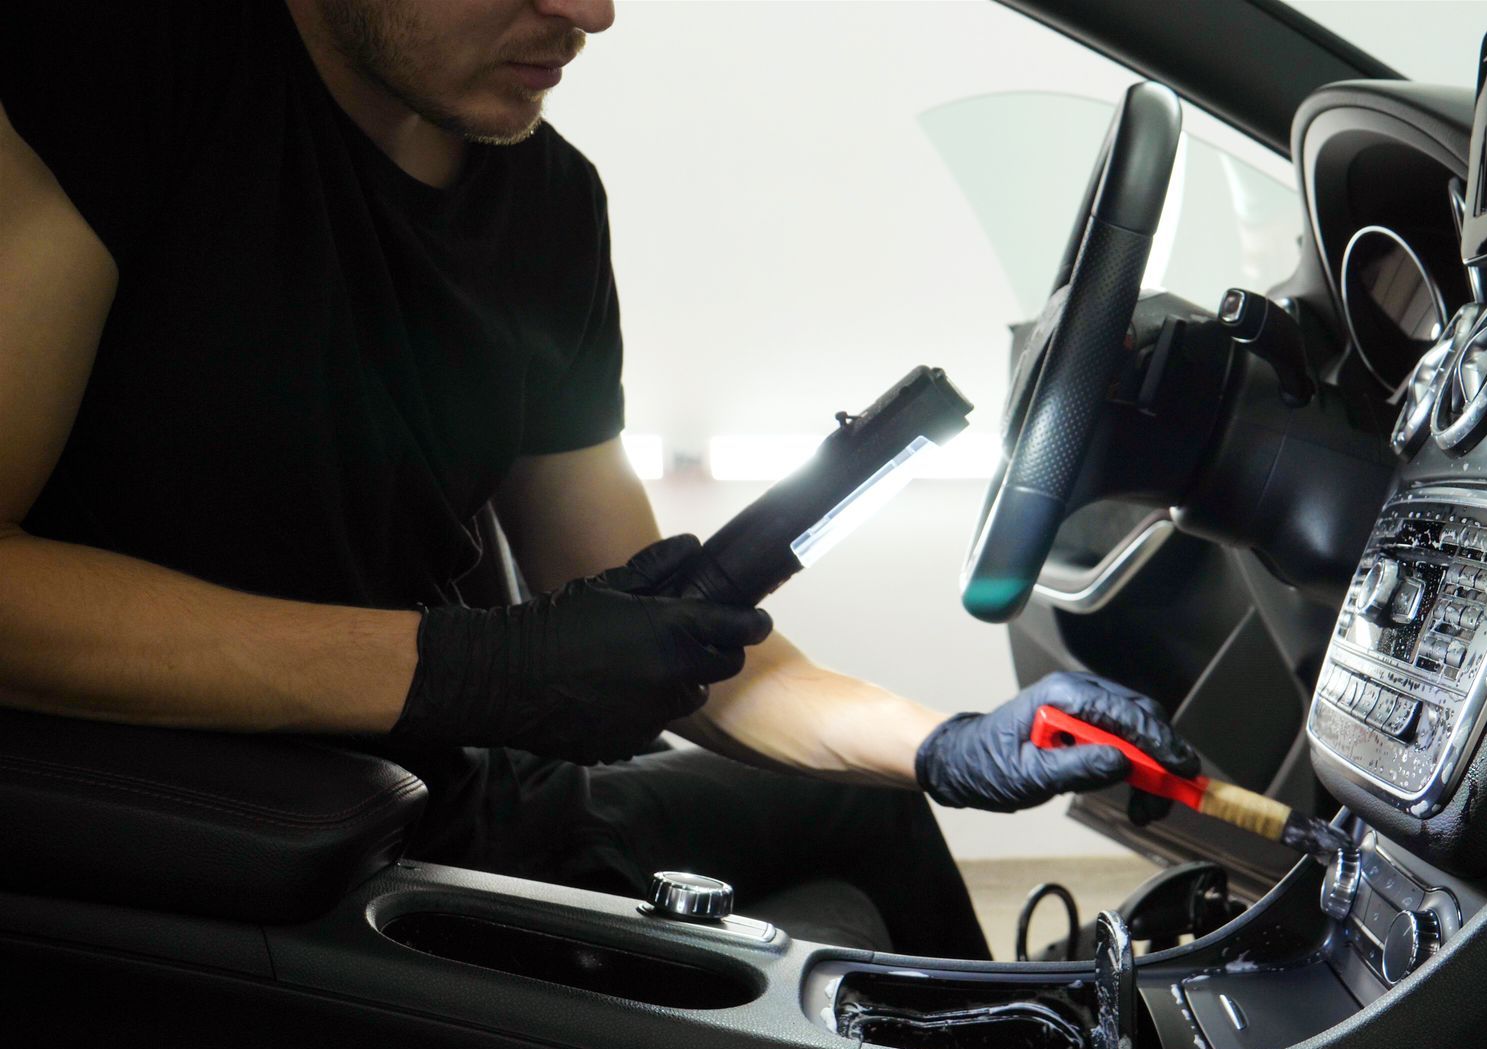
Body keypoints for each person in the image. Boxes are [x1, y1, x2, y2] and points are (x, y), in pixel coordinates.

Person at [0, 0, 1198, 958]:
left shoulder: (544, 201)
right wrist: (470, 670)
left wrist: (952, 743)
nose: (593, 12)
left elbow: (668, 634)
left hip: (442, 795)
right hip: (231, 832)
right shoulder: (119, 63)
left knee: (875, 809)